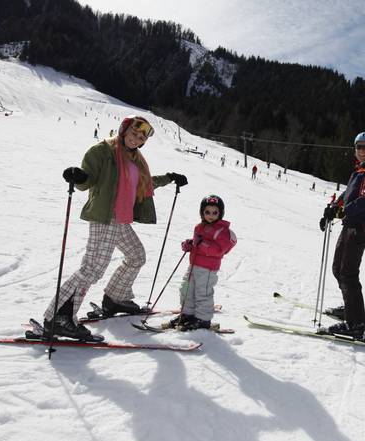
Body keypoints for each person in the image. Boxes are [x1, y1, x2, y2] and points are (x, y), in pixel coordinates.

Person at [42, 115, 188, 341]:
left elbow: (145, 182)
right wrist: (78, 177)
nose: (136, 139)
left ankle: (115, 298)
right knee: (92, 268)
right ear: (124, 130)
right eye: (133, 133)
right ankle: (59, 318)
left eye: (141, 137)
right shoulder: (103, 151)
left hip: (121, 219)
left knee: (136, 256)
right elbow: (87, 179)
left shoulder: (135, 159)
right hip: (105, 217)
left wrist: (170, 178)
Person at [319, 132, 365, 340]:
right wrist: (333, 207)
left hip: (359, 227)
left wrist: (342, 211)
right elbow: (348, 194)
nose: (362, 151)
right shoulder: (360, 169)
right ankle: (351, 309)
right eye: (359, 147)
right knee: (338, 269)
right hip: (349, 225)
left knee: (348, 273)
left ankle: (355, 324)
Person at [163, 195, 237, 330]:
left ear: (220, 213)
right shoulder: (199, 227)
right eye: (207, 212)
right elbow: (198, 245)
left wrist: (201, 243)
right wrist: (190, 245)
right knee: (186, 290)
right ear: (202, 212)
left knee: (203, 293)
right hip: (193, 265)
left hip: (208, 269)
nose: (211, 215)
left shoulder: (223, 231)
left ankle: (203, 320)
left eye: (215, 212)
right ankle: (187, 314)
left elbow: (218, 250)